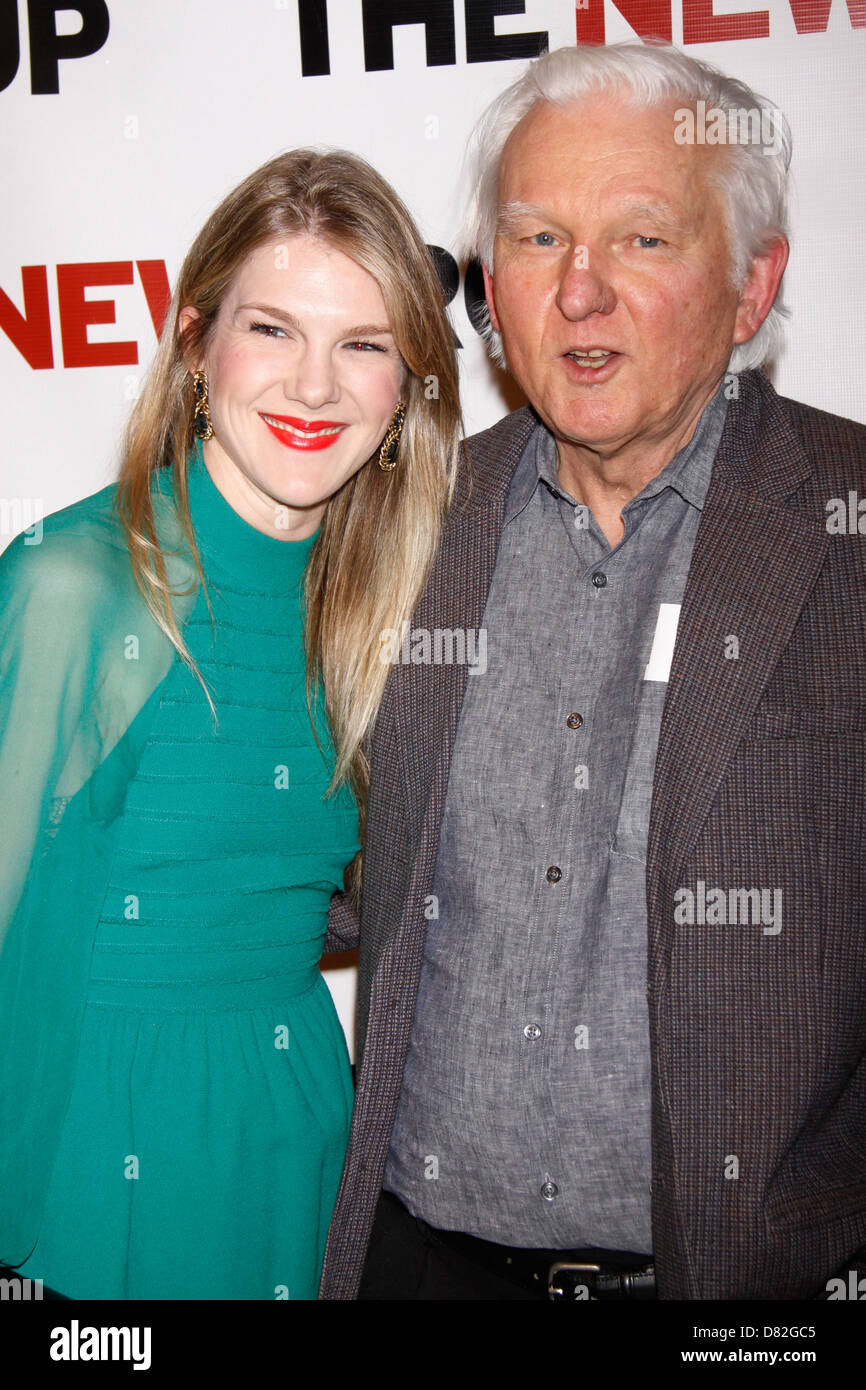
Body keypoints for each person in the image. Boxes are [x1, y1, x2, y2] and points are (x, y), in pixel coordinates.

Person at [319, 43, 866, 1300]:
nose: (578, 294)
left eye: (641, 242)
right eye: (537, 239)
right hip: (418, 1263)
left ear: (749, 283)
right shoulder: (397, 526)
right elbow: (317, 864)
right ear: (486, 285)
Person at [0, 148, 460, 1299]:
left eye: (362, 344)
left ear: (406, 385)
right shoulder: (76, 584)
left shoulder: (380, 610)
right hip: (99, 1169)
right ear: (197, 346)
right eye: (272, 330)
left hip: (300, 1140)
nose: (314, 387)